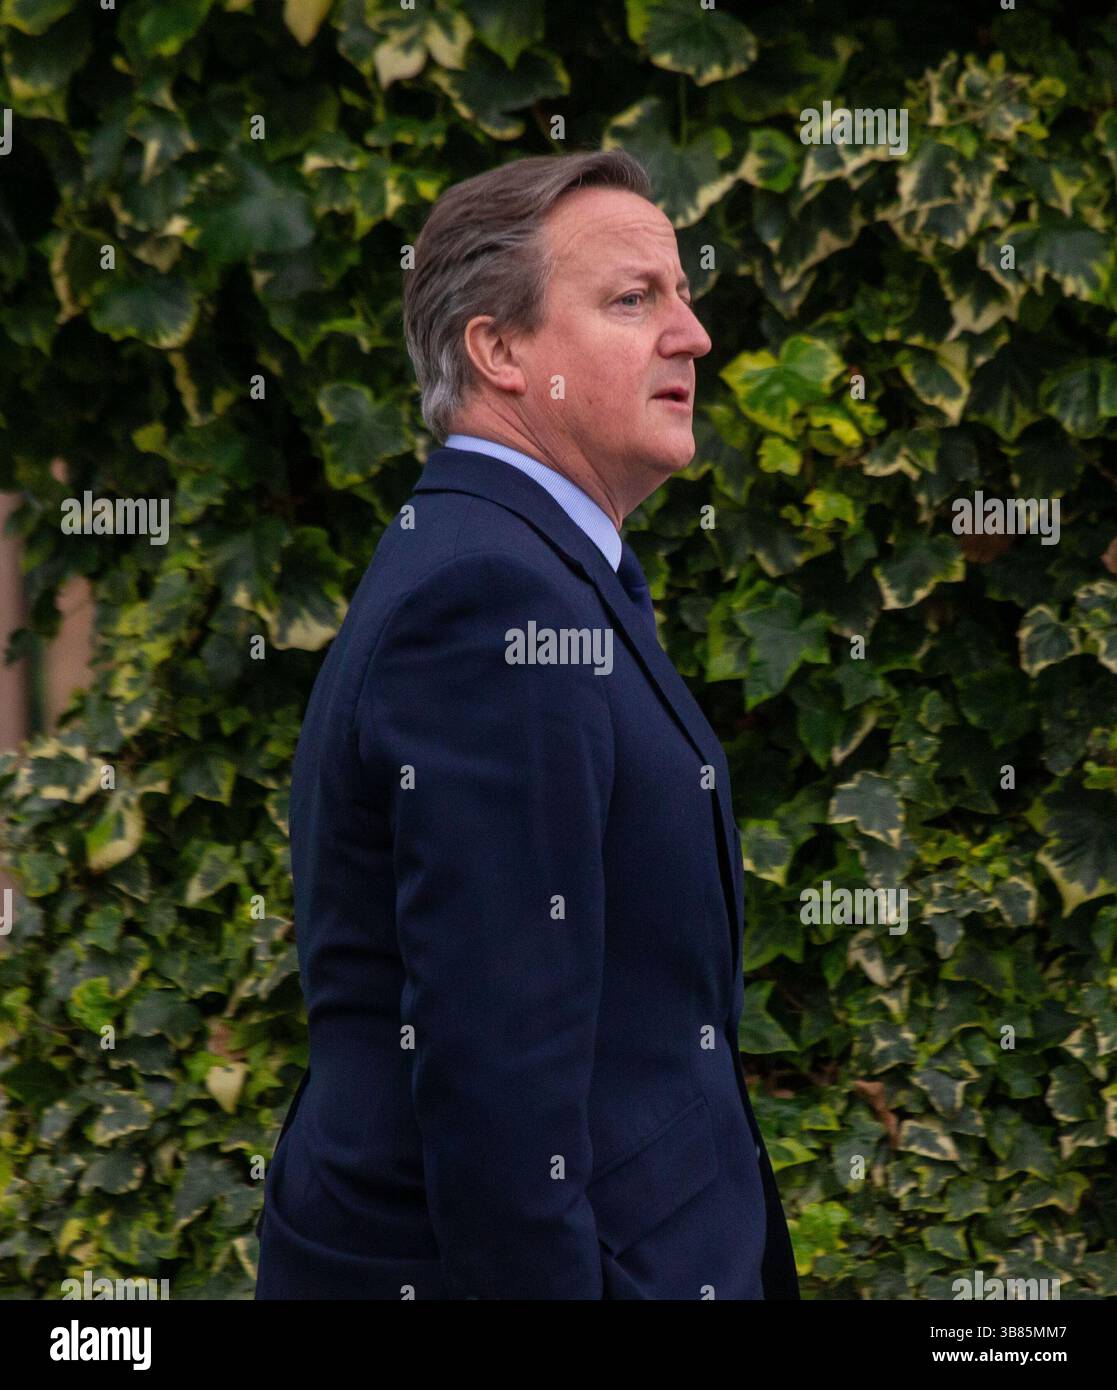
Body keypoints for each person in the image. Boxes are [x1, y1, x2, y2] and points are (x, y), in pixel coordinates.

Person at [255, 149, 799, 1300]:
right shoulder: (491, 601)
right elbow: (497, 1084)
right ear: (498, 352)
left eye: (681, 294)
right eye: (631, 298)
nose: (692, 334)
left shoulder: (529, 567)